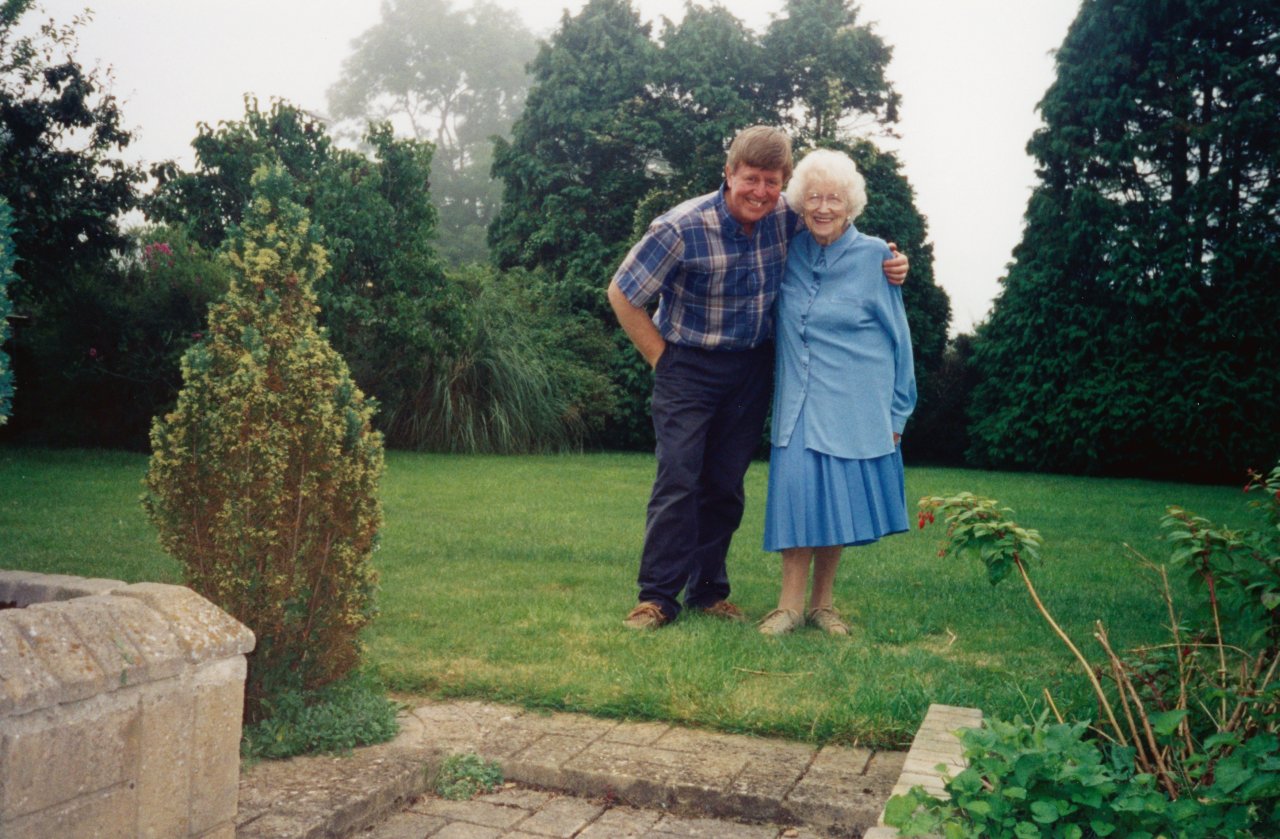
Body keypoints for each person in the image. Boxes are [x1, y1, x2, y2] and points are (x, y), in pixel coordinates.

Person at [608, 126, 909, 630]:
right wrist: (663, 360)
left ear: (783, 184)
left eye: (772, 181)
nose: (761, 191)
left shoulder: (785, 219)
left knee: (724, 485)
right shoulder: (680, 226)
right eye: (751, 179)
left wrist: (894, 260)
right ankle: (657, 598)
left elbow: (835, 221)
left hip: (750, 368)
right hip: (687, 363)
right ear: (728, 175)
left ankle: (708, 592)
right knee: (679, 476)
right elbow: (622, 293)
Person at [758, 148, 917, 636]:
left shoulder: (876, 257)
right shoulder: (789, 250)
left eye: (834, 199)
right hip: (798, 402)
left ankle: (822, 605)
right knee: (796, 492)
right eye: (813, 198)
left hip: (851, 405)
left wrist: (897, 415)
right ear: (800, 204)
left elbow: (900, 340)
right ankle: (787, 606)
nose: (823, 208)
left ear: (850, 206)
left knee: (834, 502)